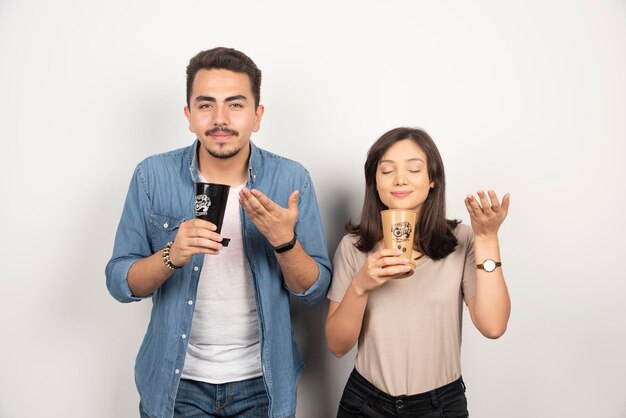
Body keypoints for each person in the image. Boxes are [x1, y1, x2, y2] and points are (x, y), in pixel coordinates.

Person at [105, 47, 332, 418]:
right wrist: (171, 255)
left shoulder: (291, 180)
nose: (220, 119)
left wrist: (284, 243)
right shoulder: (152, 176)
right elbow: (119, 282)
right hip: (176, 384)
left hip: (263, 383)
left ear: (258, 116)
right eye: (206, 105)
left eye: (236, 105)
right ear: (189, 116)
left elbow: (314, 291)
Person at [325, 127, 511, 417]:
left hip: (441, 406)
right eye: (386, 171)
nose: (400, 179)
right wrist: (360, 285)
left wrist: (487, 238)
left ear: (432, 179)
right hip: (366, 403)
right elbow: (337, 346)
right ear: (374, 181)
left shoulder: (462, 240)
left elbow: (493, 326)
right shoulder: (354, 247)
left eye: (414, 169)